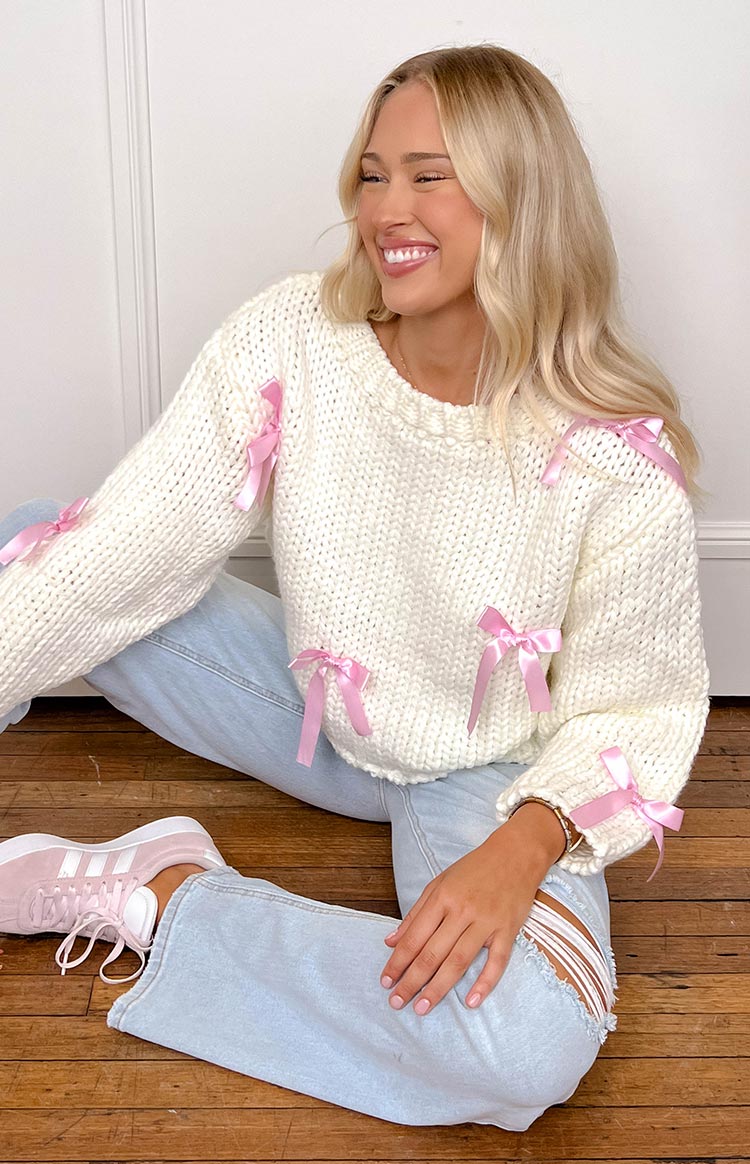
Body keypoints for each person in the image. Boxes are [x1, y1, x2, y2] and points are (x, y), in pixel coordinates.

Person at [0, 43, 710, 1132]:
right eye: (373, 174)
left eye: (430, 176)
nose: (386, 209)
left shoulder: (615, 456)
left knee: (529, 1044)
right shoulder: (295, 337)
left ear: (520, 196)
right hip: (312, 714)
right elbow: (139, 539)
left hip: (494, 776)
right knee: (32, 545)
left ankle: (163, 894)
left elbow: (639, 710)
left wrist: (521, 849)